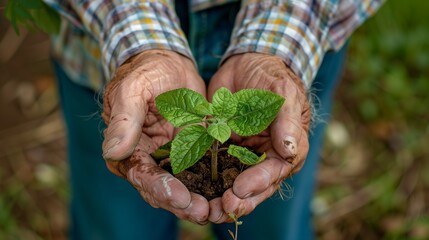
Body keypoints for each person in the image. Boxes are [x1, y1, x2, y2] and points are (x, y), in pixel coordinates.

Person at [46, 0, 384, 239]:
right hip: (108, 49)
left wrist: (274, 49)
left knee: (273, 227)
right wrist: (140, 43)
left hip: (299, 31)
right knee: (115, 226)